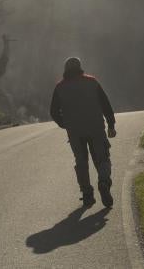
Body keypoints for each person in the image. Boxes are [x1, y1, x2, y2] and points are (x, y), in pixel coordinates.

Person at [50, 57, 117, 207]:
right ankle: (104, 182)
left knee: (81, 162)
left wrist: (65, 124)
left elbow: (53, 111)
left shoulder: (60, 87)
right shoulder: (92, 82)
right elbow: (105, 104)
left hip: (75, 132)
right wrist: (111, 124)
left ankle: (87, 194)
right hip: (96, 129)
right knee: (102, 158)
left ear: (65, 69)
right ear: (80, 67)